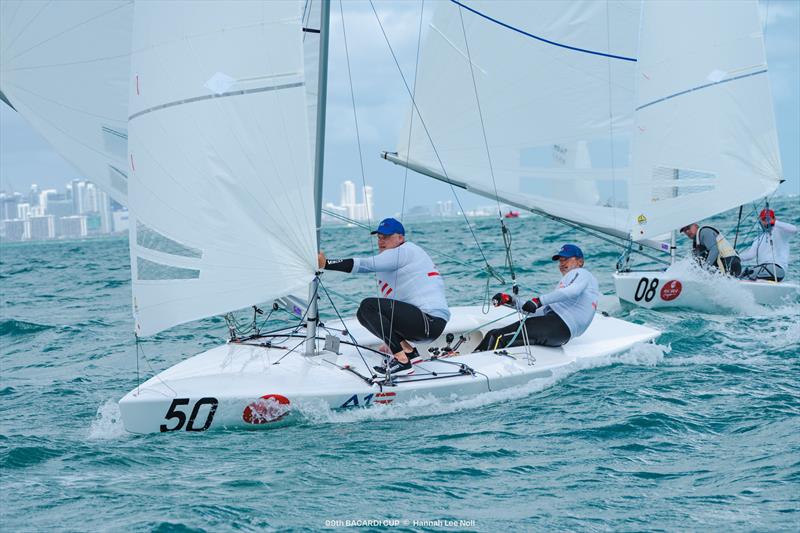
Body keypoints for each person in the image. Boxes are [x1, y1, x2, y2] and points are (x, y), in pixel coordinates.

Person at [318, 217, 449, 376]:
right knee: (363, 314)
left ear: (400, 238)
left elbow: (367, 265)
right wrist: (391, 340)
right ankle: (409, 353)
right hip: (422, 323)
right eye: (379, 237)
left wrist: (327, 264)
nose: (381, 241)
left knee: (369, 306)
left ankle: (402, 361)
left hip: (430, 322)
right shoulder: (391, 261)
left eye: (386, 237)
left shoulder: (406, 250)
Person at [474, 244, 599, 352]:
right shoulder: (570, 288)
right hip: (559, 333)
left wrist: (538, 301)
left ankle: (475, 364)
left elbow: (572, 291)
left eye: (566, 259)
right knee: (500, 337)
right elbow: (539, 311)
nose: (562, 264)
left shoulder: (582, 274)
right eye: (560, 260)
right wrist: (511, 301)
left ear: (580, 262)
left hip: (558, 326)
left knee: (495, 336)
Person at [739, 208, 797, 282]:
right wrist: (737, 256)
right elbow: (750, 255)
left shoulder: (781, 231)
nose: (766, 222)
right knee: (743, 275)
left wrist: (775, 223)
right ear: (760, 221)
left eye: (768, 219)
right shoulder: (758, 239)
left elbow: (794, 230)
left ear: (774, 218)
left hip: (777, 269)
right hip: (763, 270)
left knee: (750, 276)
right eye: (764, 219)